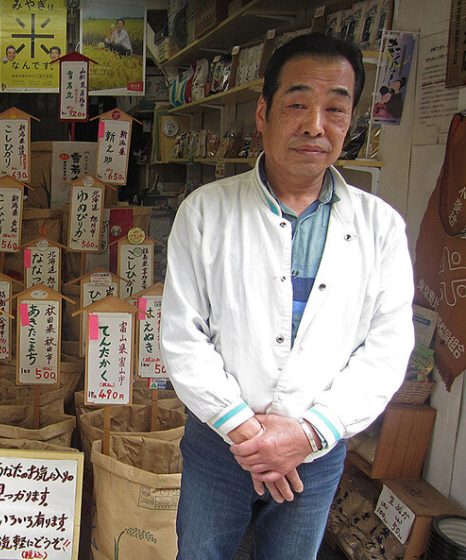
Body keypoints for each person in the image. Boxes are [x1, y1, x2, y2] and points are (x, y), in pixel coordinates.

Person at [161, 33, 413, 560]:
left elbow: (386, 349)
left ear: (350, 120)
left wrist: (305, 434)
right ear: (263, 112)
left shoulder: (380, 227)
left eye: (335, 109)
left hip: (315, 450)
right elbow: (184, 337)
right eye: (297, 104)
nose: (315, 126)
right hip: (218, 439)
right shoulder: (205, 212)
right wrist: (252, 436)